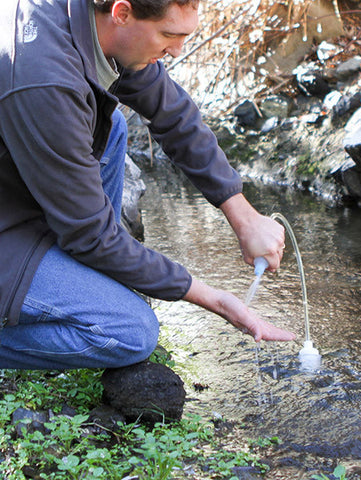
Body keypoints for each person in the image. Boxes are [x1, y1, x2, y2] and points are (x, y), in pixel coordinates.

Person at [0, 0, 295, 370]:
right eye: (170, 35)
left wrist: (244, 217)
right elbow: (92, 237)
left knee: (112, 130)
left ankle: (78, 278)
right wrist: (216, 299)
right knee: (130, 332)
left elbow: (174, 115)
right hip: (7, 227)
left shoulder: (96, 26)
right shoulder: (44, 78)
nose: (177, 50)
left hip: (15, 186)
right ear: (122, 13)